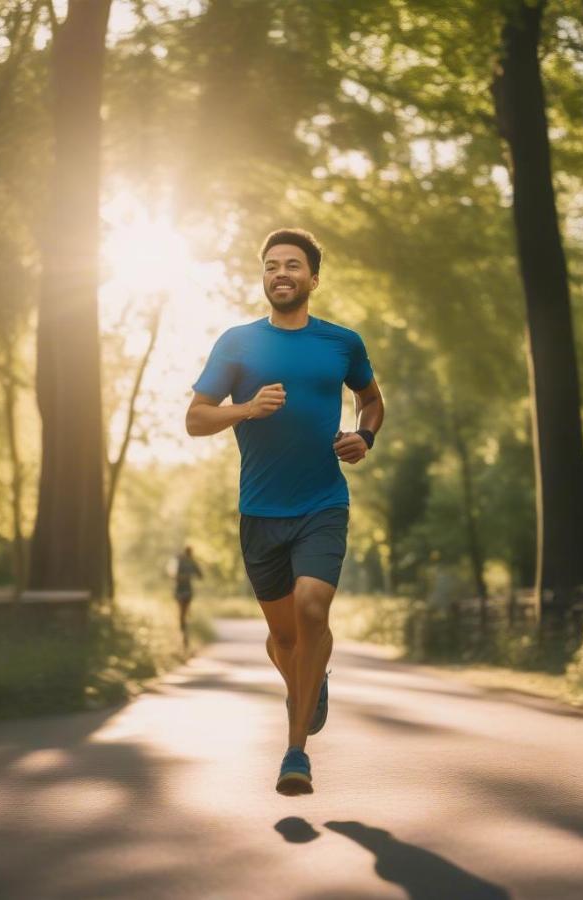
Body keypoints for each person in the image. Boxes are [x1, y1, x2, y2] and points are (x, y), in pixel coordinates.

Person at [185, 228, 384, 795]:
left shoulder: (341, 342)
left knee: (312, 606)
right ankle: (310, 676)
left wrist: (364, 438)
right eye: (272, 266)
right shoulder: (238, 344)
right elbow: (196, 418)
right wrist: (245, 408)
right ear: (264, 277)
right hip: (260, 510)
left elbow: (371, 401)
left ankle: (295, 752)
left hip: (323, 501)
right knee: (284, 640)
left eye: (292, 265)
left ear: (312, 279)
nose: (281, 273)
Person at [174, 545, 203, 648]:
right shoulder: (190, 562)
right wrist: (190, 575)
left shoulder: (181, 561)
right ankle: (184, 634)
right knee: (183, 612)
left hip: (181, 590)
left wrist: (186, 576)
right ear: (190, 553)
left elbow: (200, 575)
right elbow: (200, 576)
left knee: (182, 613)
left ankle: (184, 632)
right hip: (184, 590)